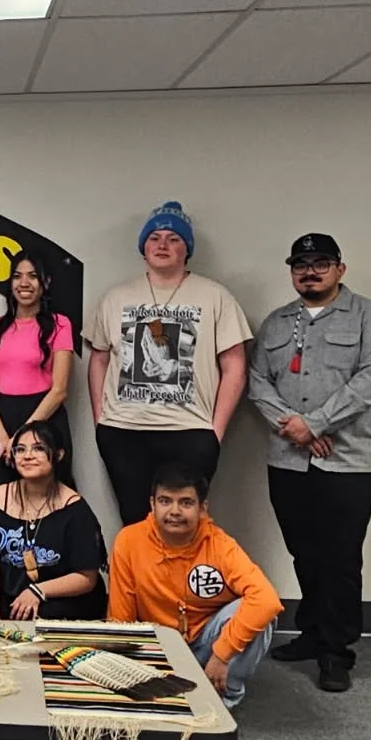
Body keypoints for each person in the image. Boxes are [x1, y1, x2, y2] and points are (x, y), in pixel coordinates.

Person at [249, 233, 371, 693]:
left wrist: (316, 424)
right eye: (301, 264)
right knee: (303, 551)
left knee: (341, 558)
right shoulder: (275, 323)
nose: (310, 271)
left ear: (339, 269)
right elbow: (257, 382)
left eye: (321, 263)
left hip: (348, 461)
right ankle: (312, 633)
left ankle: (336, 651)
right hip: (288, 461)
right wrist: (295, 428)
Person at [87, 200, 251, 525]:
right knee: (135, 525)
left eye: (173, 238)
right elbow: (99, 358)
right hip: (124, 431)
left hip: (189, 431)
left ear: (187, 248)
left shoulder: (215, 296)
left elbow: (235, 367)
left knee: (185, 525)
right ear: (143, 247)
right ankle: (140, 580)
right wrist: (101, 421)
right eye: (154, 237)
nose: (162, 245)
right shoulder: (116, 297)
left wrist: (213, 433)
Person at [108, 462, 282, 707]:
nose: (175, 511)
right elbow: (121, 619)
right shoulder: (128, 540)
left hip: (206, 645)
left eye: (186, 503)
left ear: (202, 508)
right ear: (152, 504)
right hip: (159, 646)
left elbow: (267, 600)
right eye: (165, 501)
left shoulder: (220, 545)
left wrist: (221, 655)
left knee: (259, 613)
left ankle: (224, 697)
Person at [0, 420, 105, 621]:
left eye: (38, 448)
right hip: (12, 603)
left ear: (58, 455)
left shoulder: (75, 509)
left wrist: (37, 591)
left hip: (62, 606)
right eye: (20, 449)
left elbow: (87, 578)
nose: (27, 456)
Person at [0, 250, 75, 493]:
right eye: (17, 276)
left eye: (32, 276)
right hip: (4, 422)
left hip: (45, 420)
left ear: (45, 282)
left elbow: (60, 390)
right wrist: (3, 436)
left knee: (52, 502)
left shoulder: (60, 324)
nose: (24, 283)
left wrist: (24, 437)